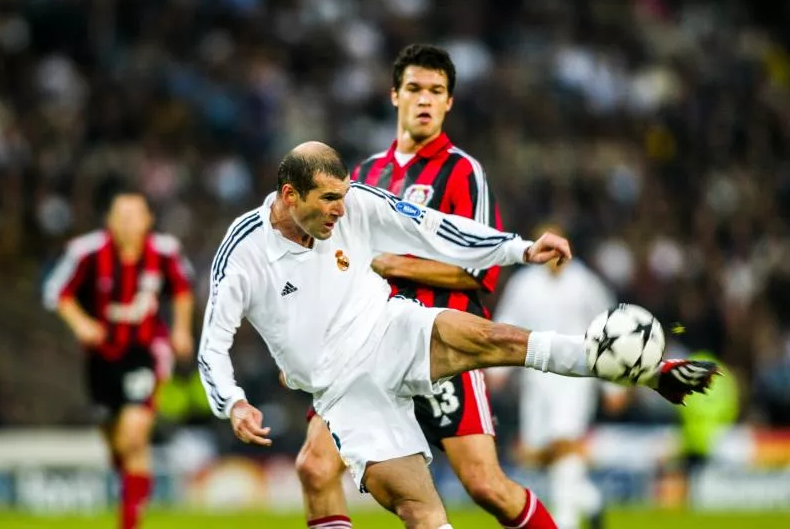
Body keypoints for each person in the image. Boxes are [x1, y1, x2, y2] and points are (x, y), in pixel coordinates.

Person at [197, 140, 718, 529]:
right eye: (328, 200)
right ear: (290, 196)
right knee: (422, 512)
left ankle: (646, 369)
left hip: (390, 328)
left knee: (498, 339)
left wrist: (517, 249)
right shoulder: (243, 252)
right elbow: (212, 345)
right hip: (343, 390)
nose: (340, 209)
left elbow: (433, 226)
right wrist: (234, 403)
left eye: (343, 197)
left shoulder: (355, 203)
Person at [295, 43, 549, 529]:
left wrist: (394, 264)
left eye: (437, 90)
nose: (425, 99)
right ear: (395, 95)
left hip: (441, 343)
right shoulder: (366, 175)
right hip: (367, 348)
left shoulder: (462, 171)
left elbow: (480, 271)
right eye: (415, 88)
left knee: (486, 486)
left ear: (449, 102)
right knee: (316, 466)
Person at [43, 188, 194, 529]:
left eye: (135, 215)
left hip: (144, 351)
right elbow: (56, 291)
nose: (128, 223)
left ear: (148, 220)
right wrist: (81, 324)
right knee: (114, 438)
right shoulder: (87, 252)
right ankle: (133, 480)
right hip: (101, 356)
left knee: (134, 435)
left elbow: (183, 289)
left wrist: (181, 330)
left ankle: (129, 521)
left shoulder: (165, 253)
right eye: (121, 216)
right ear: (109, 221)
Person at [492, 223, 627, 529]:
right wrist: (497, 371)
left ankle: (565, 522)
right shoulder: (524, 284)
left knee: (565, 443)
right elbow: (507, 324)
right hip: (536, 381)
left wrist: (613, 387)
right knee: (537, 454)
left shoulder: (586, 283)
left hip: (575, 380)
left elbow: (609, 330)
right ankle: (590, 500)